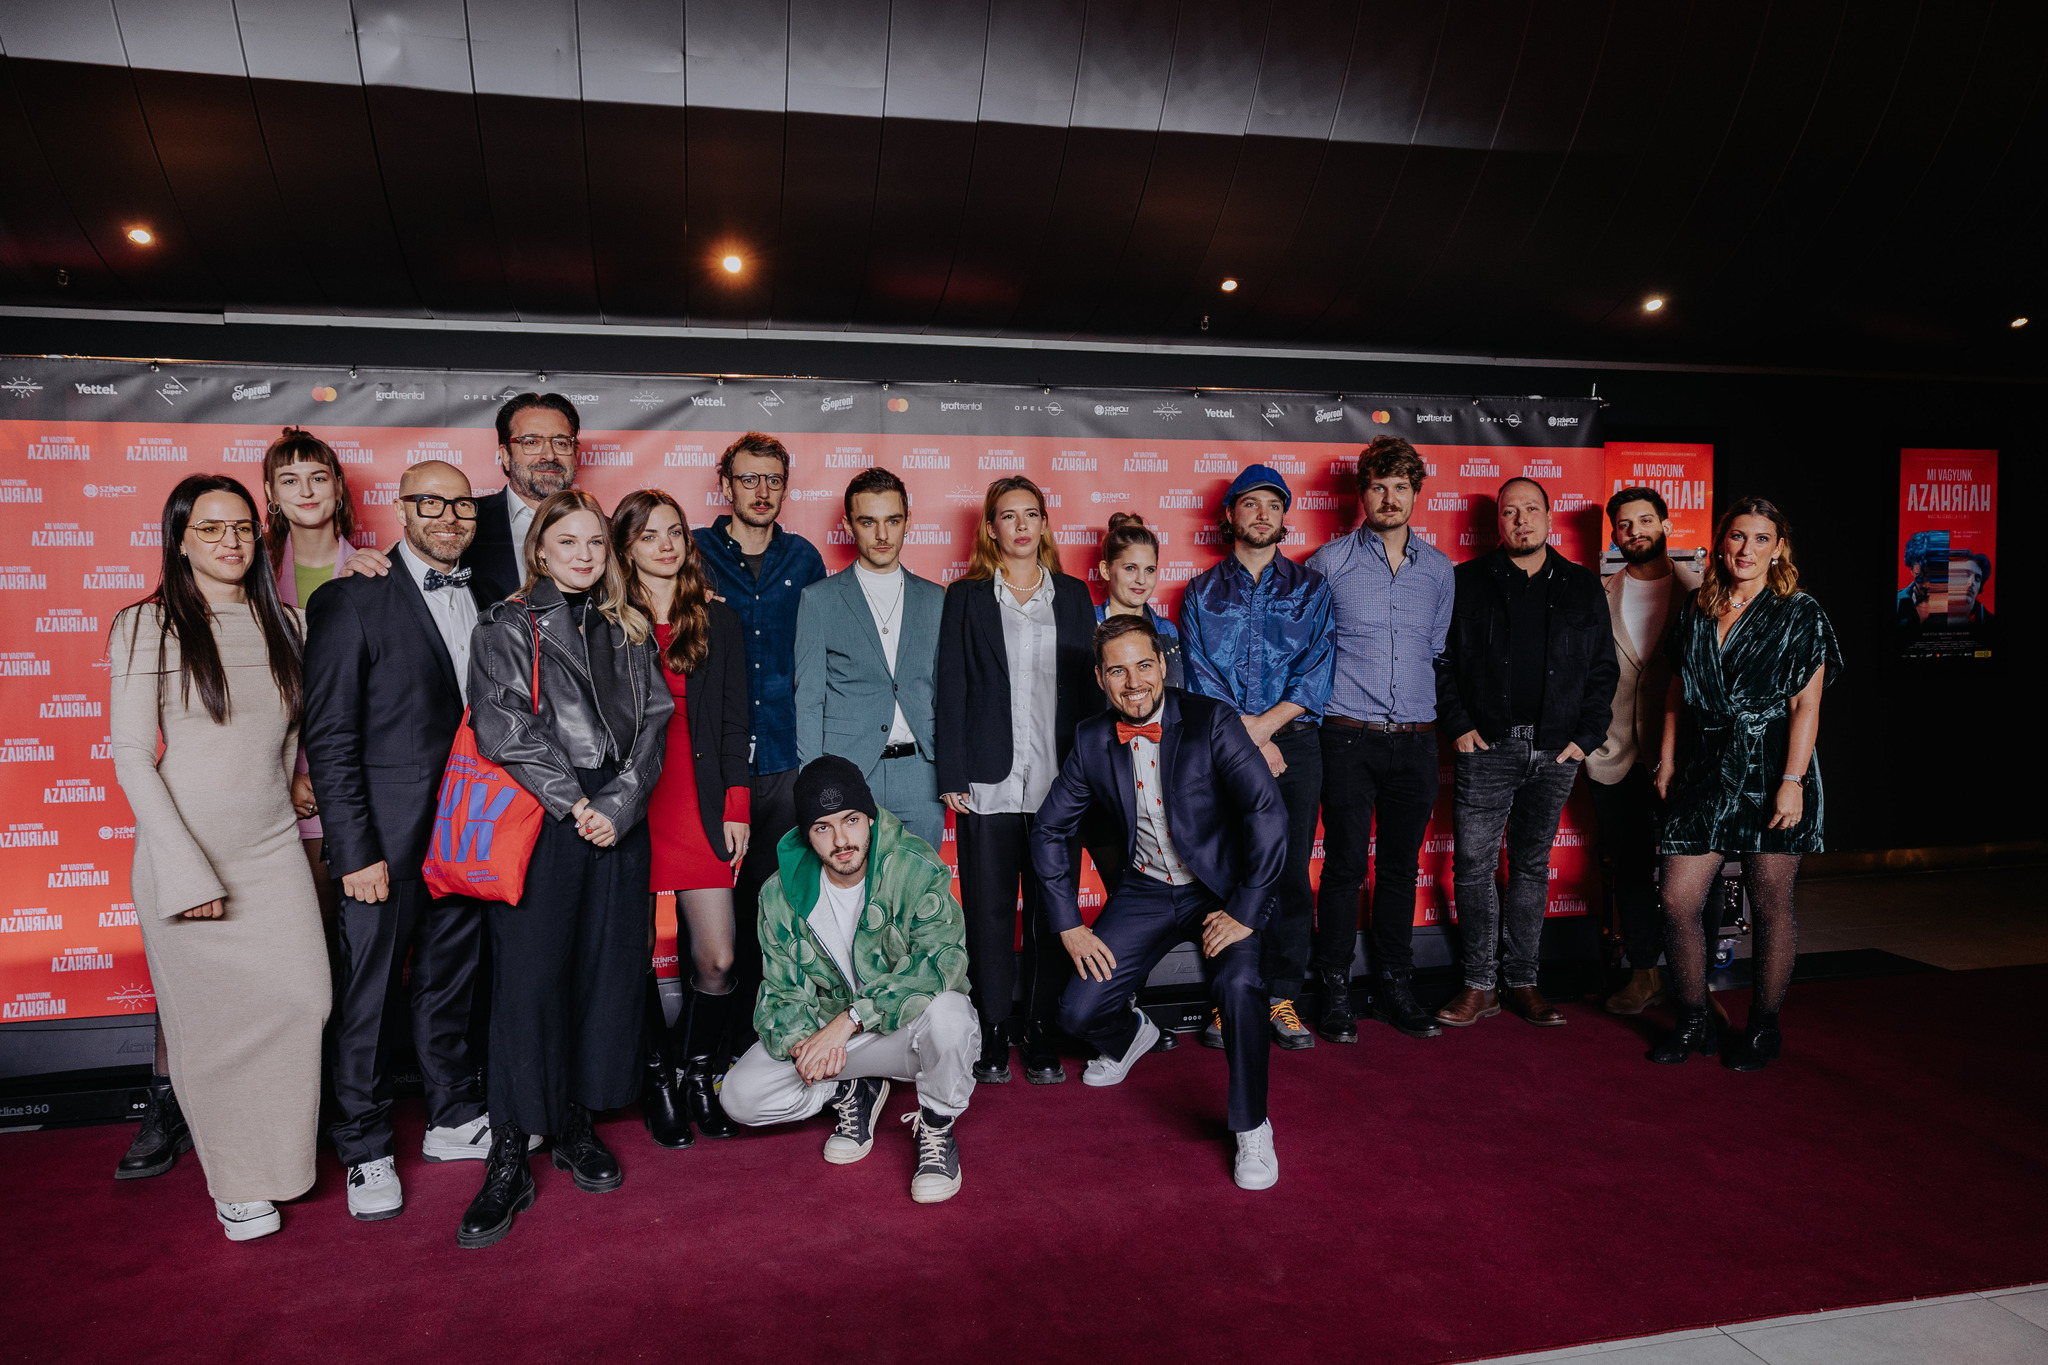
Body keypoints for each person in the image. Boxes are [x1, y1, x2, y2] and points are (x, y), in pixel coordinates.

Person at [108, 474, 330, 1242]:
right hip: (188, 848)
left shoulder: (288, 623)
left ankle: (278, 1160)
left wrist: (294, 777)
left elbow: (288, 730)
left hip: (270, 848)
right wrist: (184, 867)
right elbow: (131, 753)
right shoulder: (148, 623)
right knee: (210, 1028)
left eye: (241, 526)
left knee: (305, 999)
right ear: (180, 539)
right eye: (210, 527)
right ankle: (236, 1182)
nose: (231, 540)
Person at [458, 489, 673, 1249]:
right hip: (545, 819)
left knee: (604, 973)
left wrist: (619, 802)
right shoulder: (506, 622)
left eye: (595, 542)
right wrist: (575, 803)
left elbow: (655, 723)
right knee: (528, 983)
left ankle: (577, 1122)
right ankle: (510, 1149)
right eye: (568, 541)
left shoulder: (629, 623)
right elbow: (502, 725)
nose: (583, 554)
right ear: (540, 549)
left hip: (618, 818)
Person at [301, 460, 500, 1221]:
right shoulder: (351, 598)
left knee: (450, 981)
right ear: (401, 508)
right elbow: (330, 735)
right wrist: (353, 851)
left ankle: (452, 1115)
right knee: (370, 996)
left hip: (468, 834)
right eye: (431, 503)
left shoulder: (489, 595)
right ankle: (364, 1144)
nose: (449, 517)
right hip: (383, 842)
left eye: (462, 506)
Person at [1031, 616, 1288, 1191]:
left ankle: (1253, 1124)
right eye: (1117, 671)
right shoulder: (1092, 738)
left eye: (1144, 665)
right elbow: (1049, 830)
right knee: (1077, 1011)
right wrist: (1068, 923)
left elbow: (1266, 812)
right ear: (1100, 678)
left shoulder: (1211, 720)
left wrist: (1245, 909)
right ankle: (1131, 1035)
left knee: (1239, 985)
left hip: (1219, 889)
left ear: (1163, 666)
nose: (1134, 683)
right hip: (1146, 889)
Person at [720, 756, 977, 1205]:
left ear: (870, 818)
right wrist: (807, 1047)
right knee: (741, 1097)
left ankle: (937, 1126)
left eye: (851, 820)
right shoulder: (779, 894)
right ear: (806, 834)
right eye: (823, 827)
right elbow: (782, 993)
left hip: (904, 1033)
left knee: (950, 1013)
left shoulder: (914, 865)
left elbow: (941, 961)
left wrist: (849, 1022)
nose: (841, 840)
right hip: (839, 1040)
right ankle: (852, 1087)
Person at [1651, 497, 1840, 1071]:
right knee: (1677, 899)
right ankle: (1694, 1021)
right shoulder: (1698, 605)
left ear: (1779, 548)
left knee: (1770, 903)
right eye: (1737, 536)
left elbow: (1806, 705)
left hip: (1771, 764)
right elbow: (1677, 690)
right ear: (1720, 542)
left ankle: (1762, 1028)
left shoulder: (1800, 612)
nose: (1747, 549)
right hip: (1703, 766)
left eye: (1761, 539)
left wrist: (1793, 780)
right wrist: (1667, 760)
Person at [1433, 478, 1617, 1029]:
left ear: (1549, 518)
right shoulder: (1464, 582)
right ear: (1498, 522)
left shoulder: (1583, 586)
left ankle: (1523, 982)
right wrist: (1459, 725)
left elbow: (1602, 669)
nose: (1521, 520)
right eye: (1510, 511)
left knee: (1532, 866)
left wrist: (1585, 737)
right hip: (1487, 747)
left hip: (1556, 752)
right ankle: (1478, 985)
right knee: (1473, 867)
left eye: (1531, 509)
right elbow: (1439, 660)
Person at [935, 476, 1100, 1086]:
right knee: (989, 911)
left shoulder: (1075, 596)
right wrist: (951, 771)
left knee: (1053, 909)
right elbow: (952, 685)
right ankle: (992, 1029)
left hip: (1061, 780)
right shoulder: (967, 597)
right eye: (1009, 516)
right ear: (991, 528)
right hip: (988, 782)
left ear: (1044, 524)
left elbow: (1089, 690)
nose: (1022, 525)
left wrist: (1093, 773)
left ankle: (1040, 1029)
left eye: (1032, 514)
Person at [1302, 439, 1455, 1042]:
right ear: (1361, 494)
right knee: (1343, 867)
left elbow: (1434, 648)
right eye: (1377, 487)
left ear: (1416, 493)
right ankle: (1334, 990)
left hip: (1416, 742)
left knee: (1399, 869)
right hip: (1346, 737)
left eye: (1400, 487)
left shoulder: (1439, 570)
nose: (1389, 498)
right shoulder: (1328, 563)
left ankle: (1396, 984)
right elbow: (1310, 651)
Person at [612, 489, 751, 1150]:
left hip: (699, 801)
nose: (666, 545)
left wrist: (736, 806)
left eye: (674, 532)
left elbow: (734, 722)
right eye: (648, 535)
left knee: (718, 957)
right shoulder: (604, 620)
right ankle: (658, 1080)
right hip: (630, 806)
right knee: (633, 953)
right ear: (626, 548)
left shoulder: (717, 619)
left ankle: (699, 1076)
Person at [1179, 466, 1332, 1051]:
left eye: (1273, 504)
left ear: (1284, 516)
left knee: (1288, 871)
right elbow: (1199, 675)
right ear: (1230, 515)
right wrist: (1248, 741)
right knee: (1230, 872)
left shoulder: (1313, 588)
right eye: (1250, 504)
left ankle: (1281, 995)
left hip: (1295, 742)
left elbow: (1317, 668)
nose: (1262, 514)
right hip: (1222, 742)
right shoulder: (1200, 592)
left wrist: (1266, 732)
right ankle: (1231, 996)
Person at [693, 432, 828, 1021]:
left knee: (776, 907)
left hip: (782, 756)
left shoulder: (804, 559)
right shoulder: (691, 551)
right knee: (709, 913)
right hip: (709, 759)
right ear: (726, 485)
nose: (761, 490)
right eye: (748, 478)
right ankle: (709, 1044)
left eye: (773, 479)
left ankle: (765, 1036)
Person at [1586, 487, 1703, 1016]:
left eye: (1645, 521)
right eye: (1624, 525)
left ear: (1666, 526)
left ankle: (1693, 981)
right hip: (1615, 756)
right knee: (1630, 870)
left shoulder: (1704, 592)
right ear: (1615, 535)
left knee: (1691, 872)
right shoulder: (1599, 593)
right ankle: (1644, 973)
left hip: (1686, 757)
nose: (1635, 532)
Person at [795, 466, 946, 851]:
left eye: (892, 521)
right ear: (849, 526)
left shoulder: (936, 599)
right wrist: (814, 782)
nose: (882, 535)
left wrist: (953, 772)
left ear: (908, 521)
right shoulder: (819, 600)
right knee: (852, 884)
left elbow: (946, 693)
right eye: (868, 522)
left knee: (920, 882)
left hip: (922, 774)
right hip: (848, 770)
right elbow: (809, 700)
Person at [1095, 513, 1185, 688]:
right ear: (1105, 570)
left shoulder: (1166, 630)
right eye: (1130, 568)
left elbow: (1176, 694)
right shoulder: (1087, 625)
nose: (1141, 580)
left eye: (1150, 570)